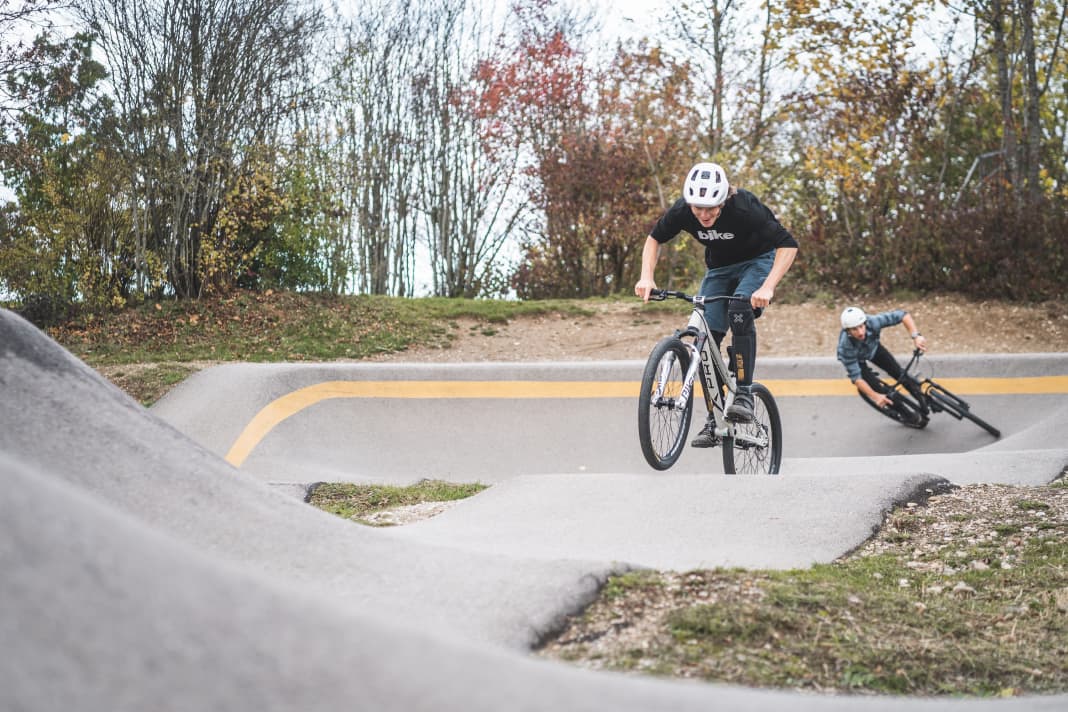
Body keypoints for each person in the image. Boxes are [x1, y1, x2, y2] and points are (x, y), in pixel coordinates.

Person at [635, 162, 798, 445]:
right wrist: (646, 277)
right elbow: (654, 239)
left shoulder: (745, 207)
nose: (704, 214)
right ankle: (715, 418)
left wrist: (768, 287)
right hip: (719, 270)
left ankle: (744, 393)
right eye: (698, 207)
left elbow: (788, 245)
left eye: (711, 207)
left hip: (758, 263)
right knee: (703, 336)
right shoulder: (683, 211)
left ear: (724, 200)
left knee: (739, 308)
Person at [837, 306, 928, 414]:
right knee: (878, 390)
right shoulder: (845, 347)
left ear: (865, 323)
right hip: (858, 360)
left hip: (874, 349)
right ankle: (905, 413)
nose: (860, 332)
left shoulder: (873, 322)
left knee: (899, 373)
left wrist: (916, 336)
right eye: (854, 329)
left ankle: (923, 398)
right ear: (848, 331)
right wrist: (876, 397)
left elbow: (903, 315)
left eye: (861, 326)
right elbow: (857, 378)